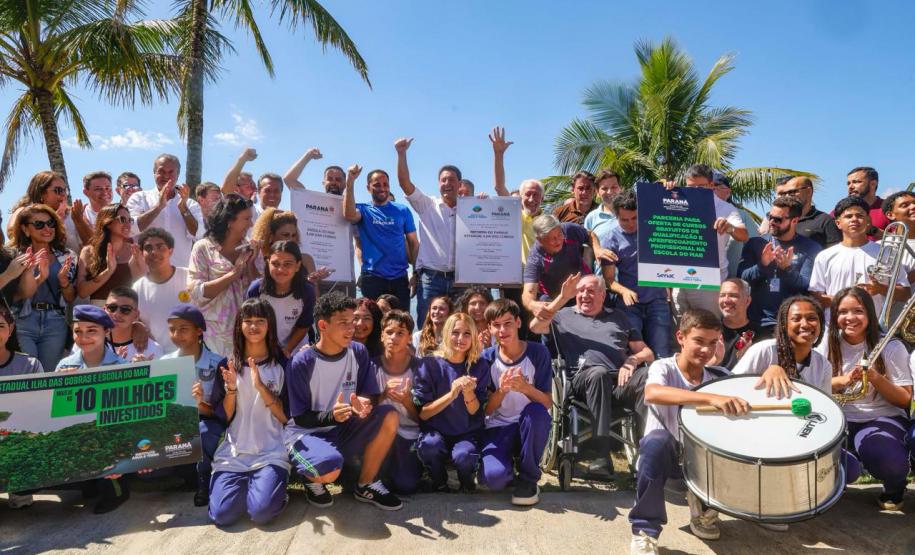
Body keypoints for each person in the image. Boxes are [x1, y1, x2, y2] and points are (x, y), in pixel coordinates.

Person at [628, 309, 749, 554]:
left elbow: (751, 391)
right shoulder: (664, 367)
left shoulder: (721, 376)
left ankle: (703, 509)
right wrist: (710, 398)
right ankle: (645, 530)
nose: (706, 350)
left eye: (713, 343)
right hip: (668, 464)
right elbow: (653, 393)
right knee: (656, 442)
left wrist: (773, 371)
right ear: (681, 337)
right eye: (699, 341)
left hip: (704, 464)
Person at [285, 292, 403, 510]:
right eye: (343, 323)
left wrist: (362, 403)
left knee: (390, 415)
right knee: (329, 470)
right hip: (307, 432)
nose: (352, 328)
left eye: (352, 322)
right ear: (323, 325)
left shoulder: (358, 352)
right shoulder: (301, 362)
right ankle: (311, 480)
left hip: (343, 426)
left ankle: (366, 485)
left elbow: (366, 394)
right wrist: (332, 415)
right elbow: (299, 417)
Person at [530, 274, 654, 476]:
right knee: (598, 373)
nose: (584, 295)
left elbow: (647, 352)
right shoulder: (562, 316)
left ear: (603, 295)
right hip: (582, 382)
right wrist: (562, 297)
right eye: (580, 291)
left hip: (619, 381)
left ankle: (648, 451)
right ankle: (601, 455)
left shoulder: (619, 317)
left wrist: (632, 360)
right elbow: (535, 326)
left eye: (590, 290)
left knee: (650, 375)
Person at [820, 287, 912, 510]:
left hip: (879, 418)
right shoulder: (827, 342)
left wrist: (874, 377)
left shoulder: (891, 346)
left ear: (870, 314)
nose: (850, 318)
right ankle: (840, 477)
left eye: (858, 311)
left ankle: (894, 487)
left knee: (889, 460)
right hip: (837, 420)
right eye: (842, 312)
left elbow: (905, 400)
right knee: (828, 466)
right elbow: (814, 383)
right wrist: (841, 380)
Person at [207, 298, 290, 526]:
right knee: (222, 516)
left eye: (260, 320)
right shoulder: (227, 365)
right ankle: (250, 487)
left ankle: (271, 489)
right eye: (248, 320)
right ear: (239, 326)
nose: (253, 326)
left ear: (269, 325)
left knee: (262, 514)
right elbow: (224, 417)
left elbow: (286, 418)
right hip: (234, 455)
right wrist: (232, 389)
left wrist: (262, 388)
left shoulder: (282, 364)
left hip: (270, 452)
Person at [56, 305, 130, 514]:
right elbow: (58, 412)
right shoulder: (64, 367)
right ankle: (88, 482)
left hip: (111, 431)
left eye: (92, 331)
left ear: (106, 332)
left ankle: (117, 490)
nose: (84, 337)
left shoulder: (121, 367)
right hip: (79, 430)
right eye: (78, 331)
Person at [478, 299, 551, 505]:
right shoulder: (487, 357)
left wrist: (525, 388)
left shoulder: (538, 353)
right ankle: (508, 464)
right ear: (490, 329)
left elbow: (547, 403)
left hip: (530, 423)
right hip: (499, 426)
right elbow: (486, 410)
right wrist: (501, 390)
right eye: (496, 325)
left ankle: (528, 478)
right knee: (493, 479)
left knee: (536, 412)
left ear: (518, 322)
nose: (502, 330)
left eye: (508, 323)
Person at [414, 312, 491, 492]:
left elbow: (474, 411)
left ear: (473, 337)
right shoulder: (429, 363)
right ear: (446, 334)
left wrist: (468, 393)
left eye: (467, 334)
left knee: (465, 456)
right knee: (429, 446)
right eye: (455, 332)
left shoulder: (479, 365)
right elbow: (423, 412)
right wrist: (452, 393)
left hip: (466, 431)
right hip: (435, 430)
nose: (460, 338)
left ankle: (467, 481)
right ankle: (438, 480)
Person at [394, 136, 463, 326]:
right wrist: (401, 153)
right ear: (438, 183)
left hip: (460, 280)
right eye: (443, 180)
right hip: (431, 280)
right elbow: (404, 183)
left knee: (459, 327)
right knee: (426, 328)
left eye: (451, 180)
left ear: (460, 184)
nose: (447, 183)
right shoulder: (426, 205)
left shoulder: (471, 210)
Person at [161, 304, 225, 506]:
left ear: (199, 331)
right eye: (172, 329)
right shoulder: (164, 363)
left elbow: (221, 411)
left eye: (183, 329)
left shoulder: (217, 363)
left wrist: (199, 403)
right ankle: (184, 476)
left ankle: (204, 480)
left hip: (206, 419)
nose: (176, 334)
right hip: (173, 421)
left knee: (203, 432)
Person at [809, 196, 909, 322]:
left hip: (874, 329)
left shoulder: (886, 253)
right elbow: (815, 296)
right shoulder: (825, 256)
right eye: (848, 216)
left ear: (868, 220)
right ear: (838, 223)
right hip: (835, 329)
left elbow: (905, 293)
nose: (854, 219)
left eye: (860, 215)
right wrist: (845, 301)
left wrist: (880, 289)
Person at [670, 164, 748, 316]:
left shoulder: (726, 208)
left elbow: (743, 235)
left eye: (701, 187)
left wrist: (729, 227)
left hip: (708, 283)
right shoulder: (677, 203)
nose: (695, 191)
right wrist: (661, 190)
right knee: (682, 330)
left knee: (710, 328)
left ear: (711, 185)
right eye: (691, 187)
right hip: (679, 281)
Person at [738, 195, 821, 335]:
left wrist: (787, 269)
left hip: (789, 324)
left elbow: (806, 286)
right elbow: (742, 279)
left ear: (794, 220)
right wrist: (763, 265)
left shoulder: (810, 248)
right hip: (756, 322)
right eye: (770, 216)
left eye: (778, 219)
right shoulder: (755, 243)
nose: (771, 222)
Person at [602, 190, 672, 358]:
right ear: (616, 216)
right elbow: (609, 280)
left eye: (634, 218)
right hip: (630, 305)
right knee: (636, 353)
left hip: (658, 300)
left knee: (661, 352)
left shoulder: (656, 228)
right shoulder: (610, 239)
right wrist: (624, 291)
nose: (631, 223)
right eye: (624, 220)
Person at [8, 204, 76, 371]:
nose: (47, 228)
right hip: (23, 319)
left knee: (49, 375)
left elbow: (70, 297)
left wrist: (64, 282)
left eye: (50, 223)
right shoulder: (14, 257)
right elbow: (18, 295)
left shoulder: (67, 256)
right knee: (27, 373)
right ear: (25, 229)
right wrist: (34, 274)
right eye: (39, 224)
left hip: (55, 321)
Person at [188, 194, 258, 355]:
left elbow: (257, 292)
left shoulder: (250, 248)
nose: (251, 223)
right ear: (230, 221)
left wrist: (251, 263)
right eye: (246, 219)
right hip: (211, 336)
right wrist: (234, 273)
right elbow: (196, 292)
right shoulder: (203, 248)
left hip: (245, 334)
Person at [343, 164, 418, 312]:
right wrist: (350, 181)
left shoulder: (402, 210)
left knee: (401, 323)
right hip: (372, 278)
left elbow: (414, 244)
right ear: (368, 188)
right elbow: (349, 215)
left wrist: (415, 273)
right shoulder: (363, 209)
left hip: (400, 279)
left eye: (385, 184)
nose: (382, 188)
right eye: (376, 185)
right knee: (373, 325)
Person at [521, 214, 615, 318]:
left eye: (559, 234)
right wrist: (532, 305)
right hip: (558, 299)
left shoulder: (569, 229)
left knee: (605, 297)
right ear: (540, 240)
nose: (558, 240)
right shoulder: (535, 259)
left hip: (583, 286)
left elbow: (589, 235)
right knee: (544, 304)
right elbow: (528, 293)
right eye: (552, 238)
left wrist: (597, 248)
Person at [374, 310, 423, 494]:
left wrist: (407, 401)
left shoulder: (420, 367)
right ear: (381, 335)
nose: (393, 337)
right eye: (389, 332)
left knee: (406, 485)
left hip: (410, 433)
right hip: (379, 433)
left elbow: (424, 418)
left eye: (400, 333)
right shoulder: (371, 366)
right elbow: (366, 410)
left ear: (409, 338)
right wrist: (383, 394)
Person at [0, 303, 43, 509]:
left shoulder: (30, 365)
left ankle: (20, 492)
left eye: (0, 326)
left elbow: (40, 411)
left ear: (11, 329)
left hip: (17, 438)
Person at [127, 153, 203, 266]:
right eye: (161, 171)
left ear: (178, 175)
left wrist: (183, 208)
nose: (166, 176)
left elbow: (199, 234)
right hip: (146, 272)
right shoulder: (139, 198)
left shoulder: (191, 204)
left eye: (171, 172)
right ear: (154, 173)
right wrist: (158, 207)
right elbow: (131, 228)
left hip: (180, 272)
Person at [246, 240, 316, 357]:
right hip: (263, 351)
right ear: (268, 263)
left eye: (287, 264)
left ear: (298, 265)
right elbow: (250, 323)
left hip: (295, 351)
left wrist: (287, 350)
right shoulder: (256, 289)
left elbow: (304, 326)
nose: (280, 269)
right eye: (275, 264)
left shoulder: (307, 291)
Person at [132, 228, 191, 350]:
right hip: (157, 358)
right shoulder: (137, 288)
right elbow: (134, 320)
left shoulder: (189, 277)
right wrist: (137, 325)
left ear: (170, 251)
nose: (154, 252)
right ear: (142, 253)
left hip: (191, 356)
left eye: (160, 247)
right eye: (148, 248)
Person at [76, 203, 142, 305]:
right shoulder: (89, 251)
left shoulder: (134, 250)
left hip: (125, 312)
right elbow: (82, 292)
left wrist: (141, 263)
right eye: (122, 219)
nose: (128, 225)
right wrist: (108, 271)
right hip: (98, 314)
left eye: (130, 220)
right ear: (107, 222)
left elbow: (140, 287)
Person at [9, 170, 89, 252]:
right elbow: (12, 231)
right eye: (58, 190)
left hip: (73, 262)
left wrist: (79, 220)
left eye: (65, 190)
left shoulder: (74, 213)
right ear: (41, 193)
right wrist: (55, 220)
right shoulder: (24, 211)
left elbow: (93, 244)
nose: (63, 194)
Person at [250, 208, 323, 282]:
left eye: (293, 235)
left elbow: (314, 292)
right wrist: (251, 262)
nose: (290, 240)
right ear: (271, 236)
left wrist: (312, 281)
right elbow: (256, 288)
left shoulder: (306, 260)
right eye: (285, 235)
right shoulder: (258, 259)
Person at [711, 170, 760, 277]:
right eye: (709, 187)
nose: (711, 191)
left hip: (732, 280)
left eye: (715, 187)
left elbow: (754, 244)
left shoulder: (741, 215)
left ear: (728, 192)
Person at [774, 175, 841, 249]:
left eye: (792, 192)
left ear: (808, 191)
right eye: (785, 193)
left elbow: (835, 254)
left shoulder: (825, 221)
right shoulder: (777, 220)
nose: (788, 196)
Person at [714, 278, 762, 370]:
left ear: (747, 301)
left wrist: (746, 358)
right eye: (722, 295)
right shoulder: (709, 331)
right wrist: (716, 359)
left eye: (733, 295)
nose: (726, 300)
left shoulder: (762, 335)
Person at [103, 286, 163, 360]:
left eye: (125, 309)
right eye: (112, 307)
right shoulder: (92, 344)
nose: (117, 314)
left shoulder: (152, 349)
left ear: (136, 315)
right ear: (104, 310)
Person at [846, 166, 889, 237]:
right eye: (848, 183)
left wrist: (872, 230)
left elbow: (901, 241)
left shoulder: (889, 209)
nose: (850, 187)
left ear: (873, 184)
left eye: (856, 182)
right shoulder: (840, 211)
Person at [583, 170, 621, 242]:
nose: (609, 192)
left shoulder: (634, 213)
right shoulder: (591, 218)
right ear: (597, 192)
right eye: (604, 188)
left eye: (614, 187)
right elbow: (588, 248)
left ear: (620, 188)